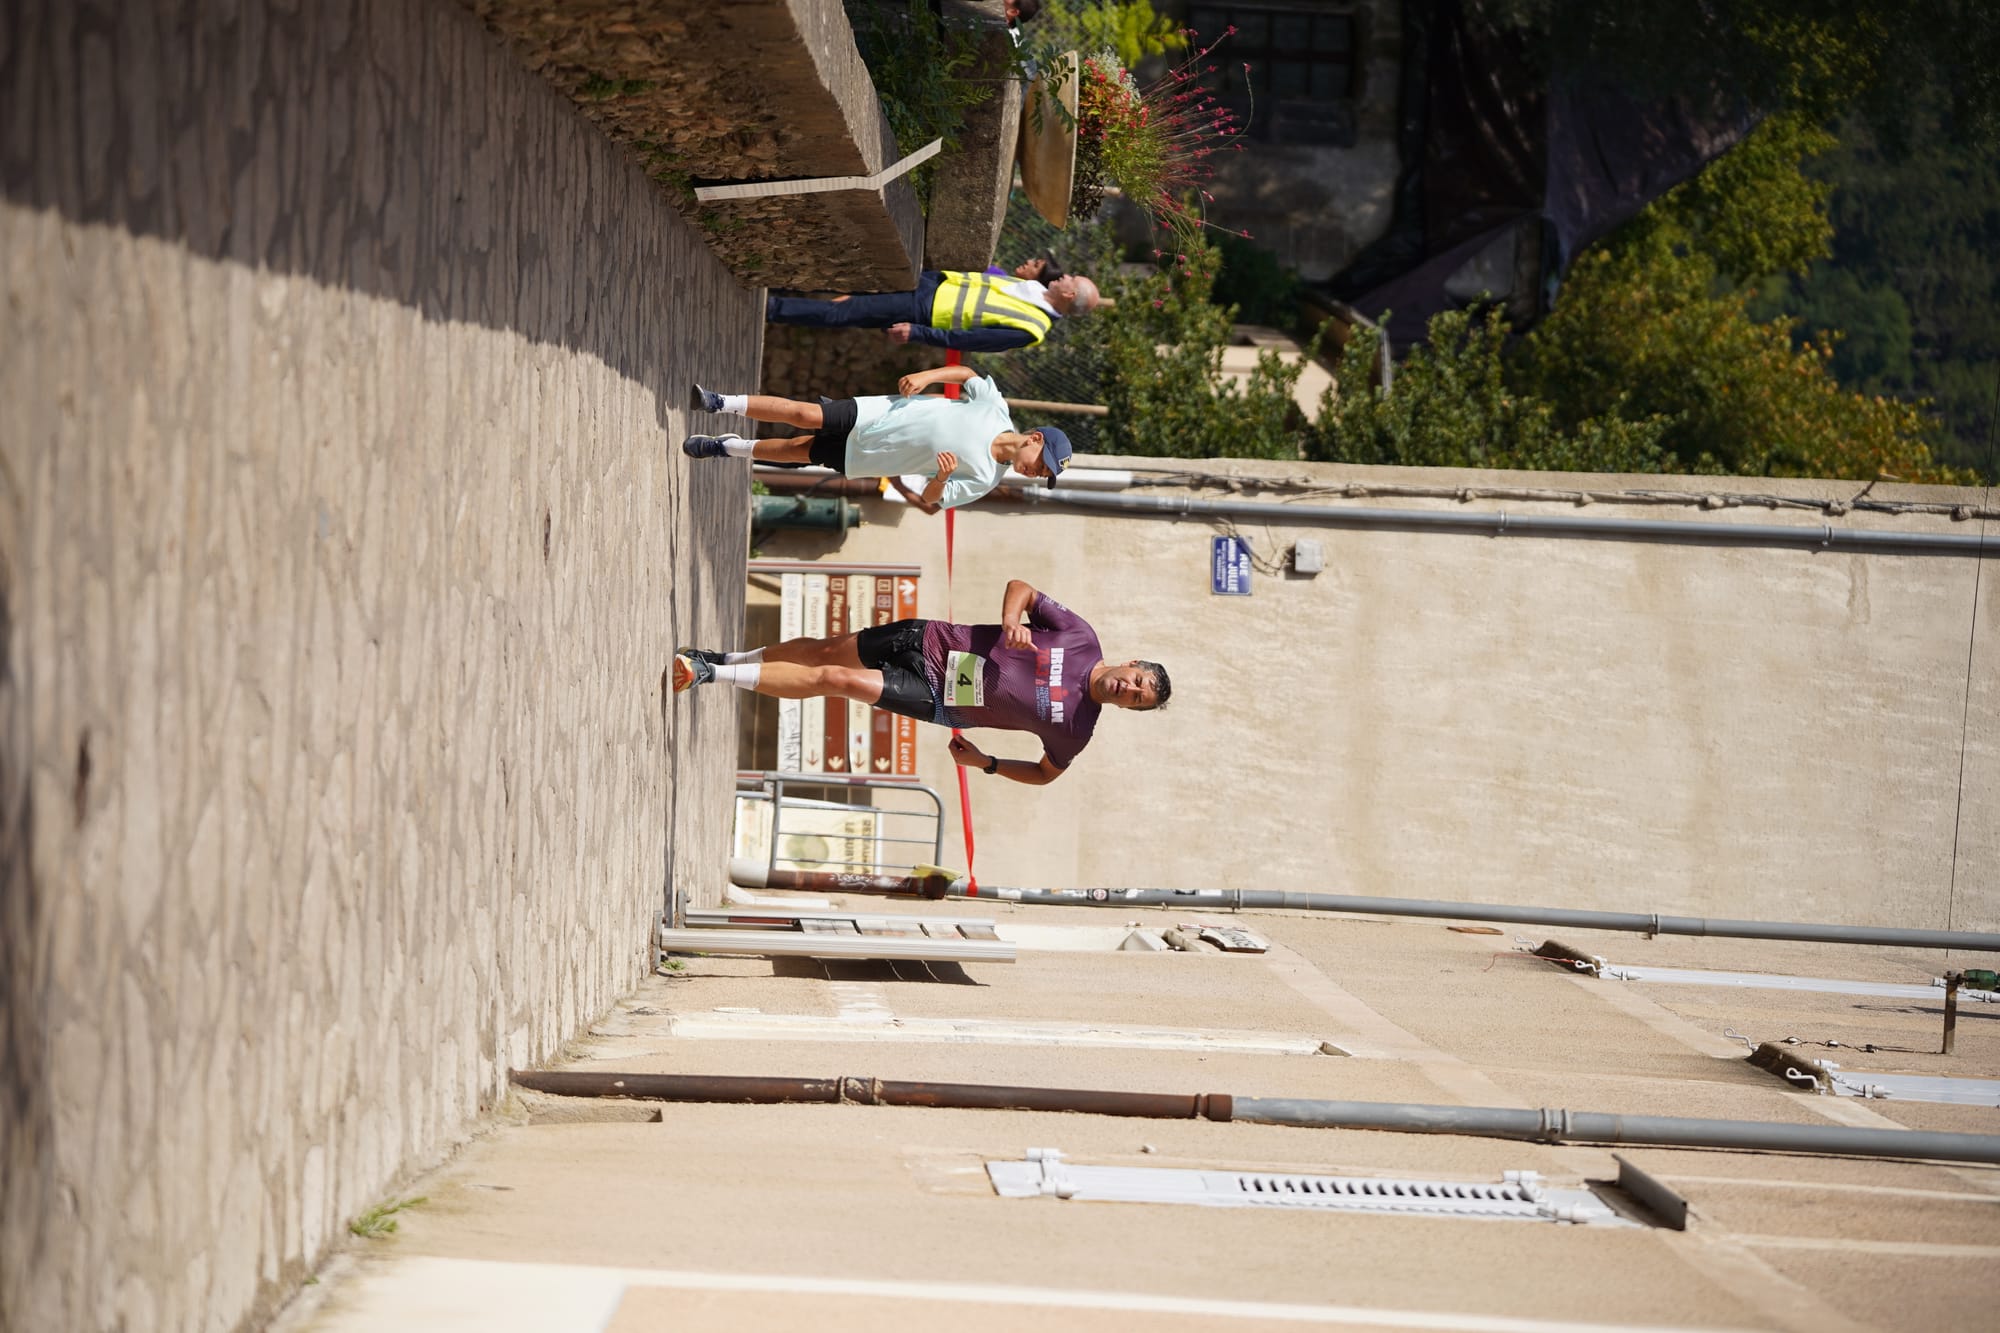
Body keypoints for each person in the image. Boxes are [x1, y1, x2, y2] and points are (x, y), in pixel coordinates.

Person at [674, 579, 1169, 784]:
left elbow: (1045, 774)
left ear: (1129, 710)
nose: (1129, 690)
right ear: (1131, 664)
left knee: (836, 678)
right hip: (930, 638)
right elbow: (1022, 588)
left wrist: (987, 763)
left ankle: (710, 673)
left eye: (1137, 699)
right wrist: (1011, 620)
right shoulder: (1081, 637)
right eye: (1137, 681)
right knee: (823, 652)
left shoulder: (1076, 729)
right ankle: (724, 658)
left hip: (935, 696)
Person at [682, 366, 1070, 512]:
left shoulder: (986, 479)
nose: (1036, 473)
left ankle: (726, 447)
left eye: (1042, 475)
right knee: (805, 414)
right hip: (880, 413)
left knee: (797, 450)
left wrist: (940, 478)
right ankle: (721, 403)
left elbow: (932, 500)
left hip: (873, 456)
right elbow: (966, 374)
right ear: (1035, 439)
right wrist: (927, 376)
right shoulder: (995, 409)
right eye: (1042, 465)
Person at [765, 267, 1100, 353]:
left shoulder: (1032, 328)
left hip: (924, 309)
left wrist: (919, 333)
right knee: (852, 285)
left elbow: (968, 340)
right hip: (930, 284)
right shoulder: (1036, 289)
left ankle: (773, 308)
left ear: (1070, 294)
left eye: (1071, 279)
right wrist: (932, 276)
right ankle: (778, 292)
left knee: (847, 311)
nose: (1064, 276)